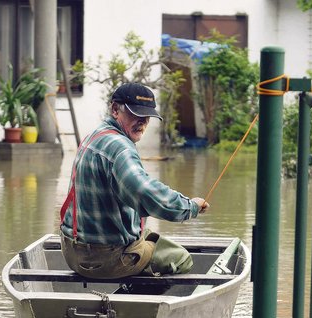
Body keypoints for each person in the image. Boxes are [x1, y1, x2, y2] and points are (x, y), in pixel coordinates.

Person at [59, 82, 209, 280]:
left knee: (145, 234)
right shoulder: (121, 148)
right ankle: (130, 301)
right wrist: (190, 207)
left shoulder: (94, 136)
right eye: (135, 114)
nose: (143, 122)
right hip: (104, 259)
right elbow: (144, 192)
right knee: (181, 258)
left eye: (147, 117)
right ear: (115, 109)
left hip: (72, 252)